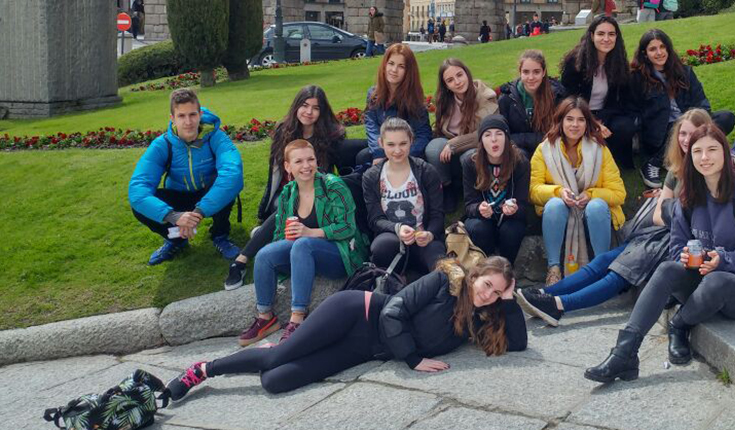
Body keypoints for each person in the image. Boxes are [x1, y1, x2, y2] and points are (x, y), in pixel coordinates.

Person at [165, 256, 525, 400]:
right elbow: (393, 314)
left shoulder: (483, 316)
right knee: (276, 360)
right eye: (487, 284)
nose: (488, 293)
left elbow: (520, 345)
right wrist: (413, 360)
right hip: (358, 312)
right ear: (475, 275)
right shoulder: (442, 281)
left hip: (364, 348)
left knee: (276, 382)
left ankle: (271, 353)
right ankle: (203, 370)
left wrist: (510, 299)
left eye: (497, 291)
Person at [584, 124, 735, 382]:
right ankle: (624, 354)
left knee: (718, 279)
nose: (704, 158)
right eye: (697, 151)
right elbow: (676, 247)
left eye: (712, 150)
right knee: (666, 269)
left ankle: (680, 324)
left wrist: (724, 259)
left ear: (725, 153)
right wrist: (684, 257)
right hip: (703, 282)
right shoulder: (688, 197)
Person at [517, 109, 712, 325]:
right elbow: (659, 215)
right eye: (682, 134)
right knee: (602, 260)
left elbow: (699, 218)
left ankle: (559, 305)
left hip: (677, 243)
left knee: (618, 272)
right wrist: (675, 209)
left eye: (692, 134)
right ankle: (546, 293)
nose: (686, 140)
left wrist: (671, 209)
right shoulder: (678, 170)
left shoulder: (706, 169)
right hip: (659, 233)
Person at [225, 85, 367, 291]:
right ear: (296, 107)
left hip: (315, 198)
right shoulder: (284, 131)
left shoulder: (329, 137)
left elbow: (361, 148)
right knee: (283, 205)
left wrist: (381, 149)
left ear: (322, 112)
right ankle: (258, 246)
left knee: (288, 208)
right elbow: (273, 172)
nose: (309, 112)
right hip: (286, 193)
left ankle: (241, 259)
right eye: (304, 105)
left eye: (315, 108)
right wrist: (266, 204)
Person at [237, 140, 369, 346]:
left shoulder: (332, 186)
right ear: (288, 167)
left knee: (303, 244)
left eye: (310, 159)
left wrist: (310, 232)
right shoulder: (288, 193)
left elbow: (347, 227)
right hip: (305, 252)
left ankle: (298, 318)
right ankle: (265, 317)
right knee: (265, 254)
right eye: (299, 161)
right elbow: (280, 231)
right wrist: (286, 239)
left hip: (341, 252)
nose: (306, 166)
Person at [129, 88, 242, 266]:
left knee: (223, 183)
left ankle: (220, 235)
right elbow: (137, 189)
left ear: (200, 114)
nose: (188, 122)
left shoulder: (216, 137)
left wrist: (198, 213)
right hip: (179, 196)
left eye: (192, 115)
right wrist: (173, 216)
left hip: (208, 193)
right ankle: (176, 239)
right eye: (181, 116)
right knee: (139, 205)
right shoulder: (162, 144)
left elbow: (233, 173)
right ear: (172, 118)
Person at [530, 97, 626, 286]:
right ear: (560, 121)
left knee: (597, 206)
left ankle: (601, 267)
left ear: (587, 123)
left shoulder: (600, 150)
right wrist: (558, 192)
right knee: (554, 204)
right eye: (570, 119)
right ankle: (554, 268)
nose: (575, 124)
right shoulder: (544, 150)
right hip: (561, 214)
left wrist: (591, 195)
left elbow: (618, 193)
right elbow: (534, 190)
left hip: (592, 213)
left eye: (581, 119)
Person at [631, 28, 735, 188]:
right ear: (645, 54)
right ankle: (654, 163)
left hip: (690, 124)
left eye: (662, 47)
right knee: (675, 127)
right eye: (653, 49)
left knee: (726, 117)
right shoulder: (638, 78)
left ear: (668, 48)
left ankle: (684, 154)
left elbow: (702, 102)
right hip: (659, 131)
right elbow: (635, 111)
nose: (659, 53)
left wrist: (698, 122)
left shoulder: (684, 72)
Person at [363, 117, 446, 274]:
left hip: (422, 238)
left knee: (440, 265)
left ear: (411, 141)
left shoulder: (426, 171)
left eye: (403, 143)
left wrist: (430, 233)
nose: (397, 150)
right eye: (391, 145)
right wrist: (397, 228)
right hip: (392, 239)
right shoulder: (372, 176)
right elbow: (375, 219)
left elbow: (437, 214)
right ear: (381, 143)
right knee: (380, 247)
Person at [560, 14, 638, 170]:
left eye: (611, 34)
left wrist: (602, 119)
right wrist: (591, 121)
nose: (606, 39)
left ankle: (612, 162)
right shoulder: (575, 62)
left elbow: (624, 102)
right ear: (591, 35)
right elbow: (568, 98)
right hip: (579, 113)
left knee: (625, 126)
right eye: (601, 34)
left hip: (607, 114)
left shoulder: (618, 63)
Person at [425, 58, 499, 212]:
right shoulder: (445, 101)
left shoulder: (485, 96)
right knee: (433, 148)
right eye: (450, 80)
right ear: (446, 85)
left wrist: (454, 144)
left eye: (460, 75)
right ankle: (447, 188)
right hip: (450, 148)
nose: (457, 82)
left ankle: (473, 195)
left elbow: (485, 132)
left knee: (470, 155)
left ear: (467, 73)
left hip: (476, 146)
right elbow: (439, 130)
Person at [463, 115, 530, 262]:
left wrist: (514, 209)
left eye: (499, 134)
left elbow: (524, 206)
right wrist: (479, 208)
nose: (494, 139)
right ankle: (486, 266)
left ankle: (506, 268)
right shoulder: (471, 163)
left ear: (507, 138)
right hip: (484, 219)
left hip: (509, 219)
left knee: (512, 230)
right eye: (487, 135)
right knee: (477, 227)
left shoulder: (520, 162)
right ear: (481, 141)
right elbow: (469, 205)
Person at [359, 44, 432, 166]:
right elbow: (371, 126)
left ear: (408, 71)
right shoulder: (373, 94)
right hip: (385, 147)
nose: (394, 70)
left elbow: (423, 134)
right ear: (384, 65)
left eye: (401, 66)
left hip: (406, 151)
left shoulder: (414, 99)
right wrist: (379, 152)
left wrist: (400, 156)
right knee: (361, 156)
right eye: (391, 63)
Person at [497, 49, 566, 159]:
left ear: (543, 72)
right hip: (519, 152)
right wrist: (536, 138)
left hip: (550, 150)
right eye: (526, 72)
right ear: (520, 72)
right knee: (519, 156)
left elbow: (558, 133)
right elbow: (504, 135)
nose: (531, 77)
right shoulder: (506, 98)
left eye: (536, 72)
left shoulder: (557, 96)